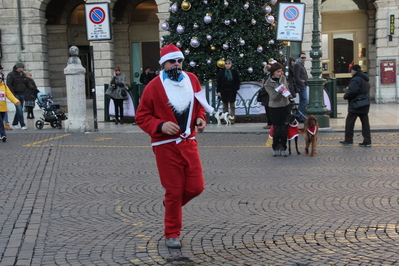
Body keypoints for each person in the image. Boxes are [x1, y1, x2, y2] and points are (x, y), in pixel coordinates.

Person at [135, 44, 207, 249]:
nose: (176, 64)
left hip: (189, 142)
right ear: (163, 64)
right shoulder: (153, 87)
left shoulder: (191, 79)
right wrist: (159, 125)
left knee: (196, 187)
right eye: (171, 61)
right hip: (165, 146)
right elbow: (141, 117)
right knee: (174, 191)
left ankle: (171, 206)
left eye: (179, 61)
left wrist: (200, 118)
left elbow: (199, 104)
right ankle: (171, 233)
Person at [339, 64, 371, 147]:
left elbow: (353, 92)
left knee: (349, 122)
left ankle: (348, 140)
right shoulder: (365, 79)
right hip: (365, 103)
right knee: (365, 123)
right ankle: (367, 141)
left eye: (351, 70)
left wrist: (346, 96)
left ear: (354, 71)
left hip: (356, 104)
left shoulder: (355, 80)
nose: (350, 72)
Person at [264, 62, 292, 157]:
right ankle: (275, 147)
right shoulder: (268, 83)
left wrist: (289, 95)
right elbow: (274, 96)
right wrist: (280, 90)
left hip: (285, 105)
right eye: (278, 71)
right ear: (273, 72)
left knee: (284, 128)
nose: (280, 73)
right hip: (274, 107)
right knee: (277, 129)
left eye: (281, 71)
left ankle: (283, 147)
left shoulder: (283, 78)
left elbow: (286, 89)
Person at [216, 59, 241, 124]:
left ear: (231, 64)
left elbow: (237, 81)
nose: (227, 65)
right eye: (226, 64)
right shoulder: (221, 72)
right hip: (224, 90)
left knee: (232, 105)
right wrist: (218, 91)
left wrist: (236, 88)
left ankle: (232, 119)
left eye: (229, 64)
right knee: (225, 105)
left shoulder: (234, 72)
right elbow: (218, 82)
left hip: (232, 90)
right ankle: (225, 119)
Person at [7, 62, 29, 130]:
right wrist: (12, 95)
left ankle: (15, 123)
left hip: (22, 94)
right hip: (15, 94)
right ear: (18, 68)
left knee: (19, 110)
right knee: (19, 110)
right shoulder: (11, 75)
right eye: (22, 67)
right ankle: (23, 124)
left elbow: (26, 83)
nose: (23, 68)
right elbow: (9, 85)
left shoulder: (23, 75)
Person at [0, 73, 21, 142]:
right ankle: (3, 135)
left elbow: (10, 95)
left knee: (1, 122)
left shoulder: (5, 87)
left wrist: (16, 101)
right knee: (0, 122)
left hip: (3, 108)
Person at [294, 53, 309, 123]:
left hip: (303, 84)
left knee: (303, 101)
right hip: (301, 85)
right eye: (302, 58)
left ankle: (301, 117)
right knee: (305, 100)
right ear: (299, 58)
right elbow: (296, 76)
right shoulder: (297, 65)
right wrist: (301, 82)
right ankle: (297, 115)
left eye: (305, 58)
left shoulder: (301, 65)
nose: (304, 59)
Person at [258, 64, 272, 129]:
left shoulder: (267, 77)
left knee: (268, 111)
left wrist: (261, 94)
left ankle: (270, 123)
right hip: (269, 96)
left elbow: (266, 88)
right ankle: (270, 123)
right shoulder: (269, 76)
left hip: (267, 96)